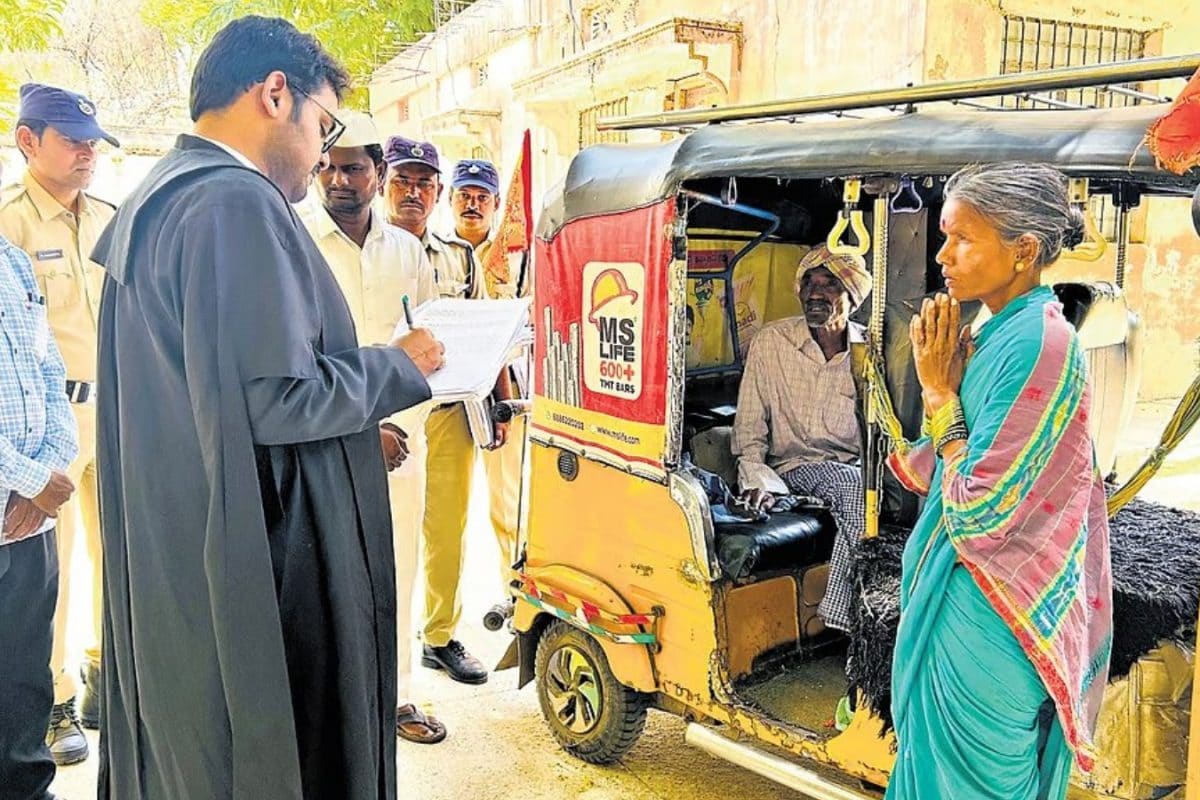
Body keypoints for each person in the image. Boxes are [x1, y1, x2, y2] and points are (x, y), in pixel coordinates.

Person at [90, 17, 444, 799]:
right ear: (275, 94)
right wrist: (397, 366)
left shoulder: (155, 197)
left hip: (175, 553)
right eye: (324, 124)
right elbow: (276, 400)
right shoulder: (232, 204)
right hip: (254, 560)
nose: (324, 153)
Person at [884, 163, 1112, 799]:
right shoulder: (996, 331)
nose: (943, 256)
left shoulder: (1041, 343)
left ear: (1024, 252)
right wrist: (950, 388)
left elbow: (978, 510)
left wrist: (936, 394)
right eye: (944, 236)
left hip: (993, 611)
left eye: (962, 238)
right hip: (972, 594)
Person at [300, 110, 446, 745]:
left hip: (401, 443)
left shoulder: (409, 251)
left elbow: (425, 347)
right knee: (325, 570)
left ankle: (397, 694)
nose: (338, 179)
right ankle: (333, 700)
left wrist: (393, 425)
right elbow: (296, 357)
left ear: (377, 175)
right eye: (328, 166)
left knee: (396, 567)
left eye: (353, 167)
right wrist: (360, 427)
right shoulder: (295, 242)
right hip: (323, 438)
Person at [0, 82, 118, 766]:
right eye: (73, 141)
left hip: (119, 413)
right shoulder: (9, 226)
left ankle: (107, 676)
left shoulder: (109, 217)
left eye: (93, 143)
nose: (87, 154)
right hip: (47, 423)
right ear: (26, 141)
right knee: (52, 568)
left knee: (120, 555)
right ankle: (55, 698)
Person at [382, 140, 516, 685]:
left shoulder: (458, 258)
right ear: (385, 183)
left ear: (436, 192)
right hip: (381, 409)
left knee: (447, 529)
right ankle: (379, 645)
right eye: (403, 181)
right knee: (382, 531)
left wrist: (499, 401)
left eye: (424, 183)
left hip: (447, 411)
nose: (413, 192)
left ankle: (437, 636)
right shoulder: (367, 247)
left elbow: (491, 333)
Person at [731, 244, 873, 633]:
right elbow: (748, 431)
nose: (815, 292)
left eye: (829, 284)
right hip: (793, 471)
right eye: (809, 282)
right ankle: (846, 619)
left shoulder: (870, 352)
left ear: (852, 297)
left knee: (874, 496)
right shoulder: (772, 342)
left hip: (852, 472)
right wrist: (760, 483)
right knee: (858, 492)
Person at [0, 230, 78, 800]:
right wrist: (28, 481)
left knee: (25, 672)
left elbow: (51, 371)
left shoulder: (13, 262)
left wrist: (45, 474)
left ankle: (26, 788)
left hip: (29, 522)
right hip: (21, 494)